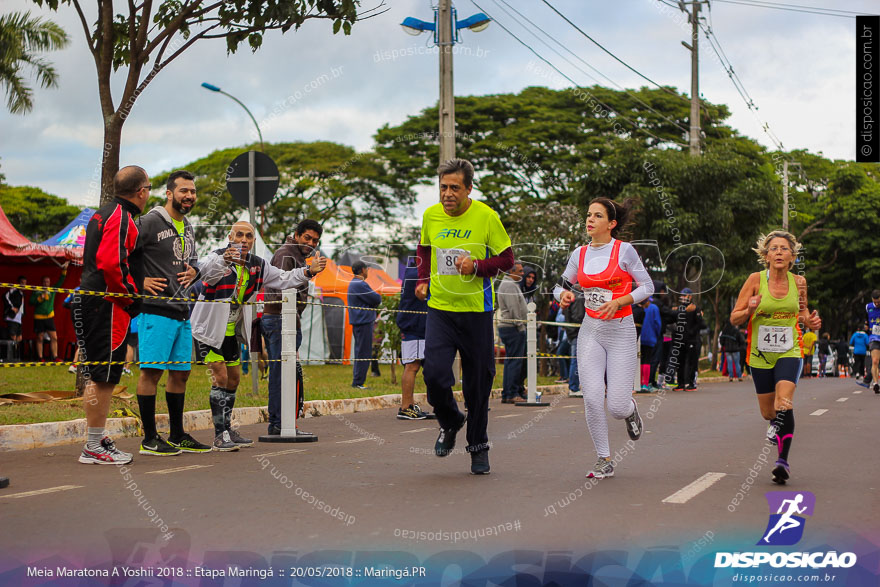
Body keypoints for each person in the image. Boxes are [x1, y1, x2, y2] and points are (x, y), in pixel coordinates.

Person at [416, 158, 514, 475]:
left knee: (478, 385)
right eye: (443, 187)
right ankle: (451, 420)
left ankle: (478, 448)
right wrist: (421, 280)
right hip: (440, 309)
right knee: (434, 375)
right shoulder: (430, 215)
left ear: (468, 188)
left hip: (477, 312)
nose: (447, 194)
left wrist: (478, 267)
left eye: (454, 188)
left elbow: (507, 259)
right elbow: (425, 251)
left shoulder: (486, 216)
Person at [191, 221, 326, 451]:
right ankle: (219, 434)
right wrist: (225, 259)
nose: (244, 240)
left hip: (232, 331)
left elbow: (283, 278)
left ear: (254, 241)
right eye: (240, 235)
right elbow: (206, 272)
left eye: (249, 236)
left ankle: (227, 428)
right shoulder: (217, 257)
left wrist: (307, 272)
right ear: (230, 236)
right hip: (208, 330)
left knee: (234, 378)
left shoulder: (258, 265)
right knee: (221, 376)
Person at [555, 197, 653, 479]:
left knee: (617, 406)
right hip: (591, 331)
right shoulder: (579, 254)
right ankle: (604, 459)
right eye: (588, 215)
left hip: (621, 331)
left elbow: (646, 286)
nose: (590, 220)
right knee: (593, 398)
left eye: (597, 216)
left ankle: (630, 411)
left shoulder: (625, 251)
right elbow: (559, 285)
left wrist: (622, 301)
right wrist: (562, 294)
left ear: (611, 224)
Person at [730, 230, 821, 485]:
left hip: (790, 350)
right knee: (769, 411)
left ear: (792, 256)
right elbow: (734, 318)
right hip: (759, 354)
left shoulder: (799, 282)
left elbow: (802, 313)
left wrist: (810, 321)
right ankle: (774, 423)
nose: (779, 252)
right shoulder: (755, 280)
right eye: (774, 249)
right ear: (766, 255)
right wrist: (749, 309)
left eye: (784, 249)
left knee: (784, 401)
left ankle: (782, 461)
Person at [75, 165, 150, 464]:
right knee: (103, 376)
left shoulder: (102, 212)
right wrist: (130, 296)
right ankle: (93, 446)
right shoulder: (120, 217)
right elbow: (110, 263)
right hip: (106, 304)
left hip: (98, 301)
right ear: (141, 191)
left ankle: (96, 438)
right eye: (148, 188)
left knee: (100, 374)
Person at [135, 170, 211, 456]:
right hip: (155, 310)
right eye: (183, 191)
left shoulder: (188, 226)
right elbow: (121, 252)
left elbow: (191, 262)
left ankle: (178, 435)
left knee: (181, 374)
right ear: (169, 193)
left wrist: (196, 270)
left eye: (192, 191)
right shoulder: (150, 221)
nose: (189, 196)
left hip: (182, 311)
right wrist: (139, 280)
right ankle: (149, 438)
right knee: (151, 372)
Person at [262, 219, 323, 435]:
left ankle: (285, 423)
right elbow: (281, 289)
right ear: (296, 235)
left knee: (288, 373)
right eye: (307, 237)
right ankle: (278, 424)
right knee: (281, 374)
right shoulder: (285, 254)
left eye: (315, 240)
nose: (311, 243)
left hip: (287, 321)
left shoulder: (298, 256)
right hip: (279, 319)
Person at [395, 256, 434, 420]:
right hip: (415, 325)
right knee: (412, 366)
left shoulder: (413, 271)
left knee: (417, 365)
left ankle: (410, 405)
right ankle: (406, 407)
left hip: (414, 324)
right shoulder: (419, 274)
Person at [497, 261, 528, 404]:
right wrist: (520, 325)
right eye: (520, 271)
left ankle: (511, 391)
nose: (522, 274)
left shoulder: (511, 284)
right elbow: (514, 308)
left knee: (512, 361)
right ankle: (511, 393)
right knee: (515, 361)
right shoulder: (509, 285)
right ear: (511, 272)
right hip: (512, 327)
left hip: (511, 326)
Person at [347, 260, 381, 390]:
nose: (367, 271)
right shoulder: (360, 284)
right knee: (363, 352)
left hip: (359, 321)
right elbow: (376, 299)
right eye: (366, 269)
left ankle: (358, 381)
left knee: (360, 351)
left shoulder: (355, 284)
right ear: (362, 270)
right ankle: (358, 382)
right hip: (363, 321)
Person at [30, 262, 69, 361]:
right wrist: (40, 298)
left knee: (54, 337)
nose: (46, 283)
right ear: (42, 282)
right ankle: (40, 357)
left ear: (49, 283)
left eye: (48, 282)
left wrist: (64, 270)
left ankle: (55, 357)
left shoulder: (52, 289)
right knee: (40, 338)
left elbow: (61, 281)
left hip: (49, 317)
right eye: (44, 282)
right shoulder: (37, 290)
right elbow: (31, 302)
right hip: (39, 317)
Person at [671, 288, 705, 391]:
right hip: (681, 340)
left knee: (692, 362)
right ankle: (680, 383)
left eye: (685, 296)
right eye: (682, 295)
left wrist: (691, 332)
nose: (683, 298)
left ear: (690, 297)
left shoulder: (695, 308)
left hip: (692, 340)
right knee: (679, 362)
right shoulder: (679, 309)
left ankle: (692, 383)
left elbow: (701, 324)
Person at [563, 290, 585, 397]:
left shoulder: (571, 295)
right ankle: (574, 387)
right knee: (576, 361)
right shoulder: (579, 297)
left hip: (572, 332)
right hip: (578, 333)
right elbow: (578, 317)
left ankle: (575, 386)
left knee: (576, 360)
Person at [638, 297, 662, 392]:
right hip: (650, 337)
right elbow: (657, 323)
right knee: (648, 360)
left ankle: (639, 382)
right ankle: (646, 384)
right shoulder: (654, 308)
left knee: (640, 360)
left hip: (639, 337)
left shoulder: (637, 308)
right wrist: (657, 335)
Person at [4, 276, 25, 358]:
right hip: (12, 317)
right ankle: (11, 357)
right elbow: (5, 296)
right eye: (22, 283)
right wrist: (11, 307)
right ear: (18, 283)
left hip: (19, 318)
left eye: (25, 283)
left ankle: (16, 356)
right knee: (13, 337)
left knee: (19, 338)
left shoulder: (22, 294)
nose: (23, 285)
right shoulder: (13, 290)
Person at [866, 290, 880, 393]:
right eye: (875, 302)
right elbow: (865, 319)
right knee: (875, 361)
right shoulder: (868, 307)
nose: (877, 304)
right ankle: (875, 383)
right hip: (874, 337)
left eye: (879, 302)